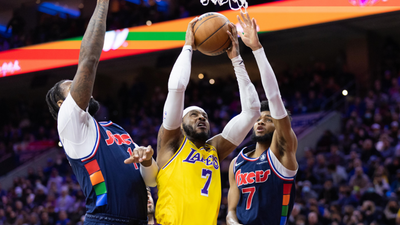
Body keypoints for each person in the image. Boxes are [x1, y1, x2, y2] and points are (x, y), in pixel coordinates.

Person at [45, 0, 158, 224]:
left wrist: (147, 161)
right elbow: (89, 61)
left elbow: (152, 181)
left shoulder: (115, 129)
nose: (81, 86)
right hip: (105, 219)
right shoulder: (70, 121)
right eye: (72, 84)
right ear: (61, 104)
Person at [155, 17, 261, 225]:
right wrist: (188, 47)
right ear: (181, 122)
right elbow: (177, 88)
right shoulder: (171, 143)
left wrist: (236, 60)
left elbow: (252, 112)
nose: (201, 117)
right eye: (194, 115)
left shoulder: (214, 149)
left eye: (204, 116)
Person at [226, 12, 298, 225]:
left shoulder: (283, 153)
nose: (260, 121)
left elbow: (274, 97)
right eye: (259, 119)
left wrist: (256, 49)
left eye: (268, 119)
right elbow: (231, 211)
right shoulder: (237, 163)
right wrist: (236, 59)